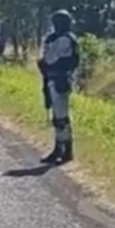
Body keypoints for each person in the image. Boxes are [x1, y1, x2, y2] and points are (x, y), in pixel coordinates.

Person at [37, 9, 80, 165]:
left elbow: (48, 59)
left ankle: (65, 150)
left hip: (61, 80)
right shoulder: (58, 38)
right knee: (57, 117)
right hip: (53, 79)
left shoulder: (65, 40)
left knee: (61, 118)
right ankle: (59, 148)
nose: (55, 26)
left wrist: (44, 62)